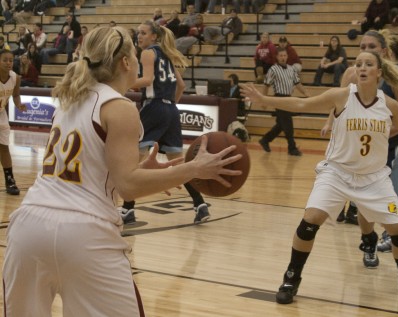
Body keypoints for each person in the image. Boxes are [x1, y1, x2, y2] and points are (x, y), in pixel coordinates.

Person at [2, 26, 242, 316]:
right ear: (126, 62)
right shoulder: (119, 106)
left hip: (27, 227)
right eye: (135, 55)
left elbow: (91, 168)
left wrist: (143, 168)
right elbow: (128, 185)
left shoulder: (70, 98)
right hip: (82, 232)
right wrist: (194, 169)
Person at [240, 51, 398, 304]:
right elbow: (301, 104)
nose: (362, 68)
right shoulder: (341, 96)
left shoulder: (389, 104)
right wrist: (264, 98)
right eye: (358, 64)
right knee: (310, 221)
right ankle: (291, 278)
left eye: (368, 64)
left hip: (373, 179)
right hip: (337, 174)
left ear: (379, 73)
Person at [326, 30, 398, 289]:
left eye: (372, 46)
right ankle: (369, 240)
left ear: (384, 51)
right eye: (362, 46)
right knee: (362, 205)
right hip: (364, 152)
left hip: (393, 148)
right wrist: (330, 123)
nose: (366, 50)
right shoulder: (352, 74)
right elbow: (337, 104)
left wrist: (376, 132)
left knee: (397, 212)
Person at [118, 20, 213, 225]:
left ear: (154, 36)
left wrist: (122, 84)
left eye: (143, 33)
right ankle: (200, 204)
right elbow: (181, 84)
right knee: (178, 163)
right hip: (170, 109)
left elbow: (148, 80)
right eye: (138, 33)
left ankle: (127, 209)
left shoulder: (147, 53)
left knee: (134, 159)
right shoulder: (166, 55)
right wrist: (170, 106)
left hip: (153, 107)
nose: (139, 36)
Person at [258, 47, 309, 156]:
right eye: (280, 55)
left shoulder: (292, 69)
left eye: (284, 55)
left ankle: (265, 140)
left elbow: (297, 83)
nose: (283, 57)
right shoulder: (273, 69)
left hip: (289, 98)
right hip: (279, 98)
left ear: (287, 56)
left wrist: (306, 93)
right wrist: (263, 100)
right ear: (277, 57)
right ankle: (292, 148)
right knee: (288, 123)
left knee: (281, 125)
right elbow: (266, 85)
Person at [0, 49, 27, 195]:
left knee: (4, 148)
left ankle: (10, 181)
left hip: (1, 114)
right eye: (5, 60)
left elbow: (16, 95)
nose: (8, 63)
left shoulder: (15, 77)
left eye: (11, 60)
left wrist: (19, 105)